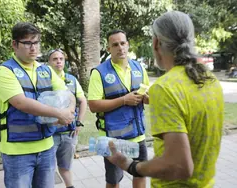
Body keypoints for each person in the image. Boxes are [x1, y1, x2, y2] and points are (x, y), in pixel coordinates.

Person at [107, 11, 224, 188]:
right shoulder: (210, 80)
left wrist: (132, 166)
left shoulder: (165, 87)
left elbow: (179, 166)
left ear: (156, 43)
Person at [0, 22, 76, 188]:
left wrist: (69, 111)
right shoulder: (4, 71)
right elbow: (21, 103)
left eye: (36, 42)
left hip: (47, 147)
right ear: (14, 44)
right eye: (27, 43)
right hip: (18, 151)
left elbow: (67, 94)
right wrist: (59, 114)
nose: (33, 47)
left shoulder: (46, 70)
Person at [88, 29, 150, 188]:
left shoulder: (139, 68)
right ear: (109, 49)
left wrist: (147, 98)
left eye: (123, 43)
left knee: (140, 174)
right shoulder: (99, 72)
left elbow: (148, 96)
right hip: (112, 139)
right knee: (114, 181)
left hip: (137, 136)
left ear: (128, 45)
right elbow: (93, 105)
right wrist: (123, 100)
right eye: (115, 44)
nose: (120, 47)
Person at [48, 49, 87, 188]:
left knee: (66, 167)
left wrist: (79, 123)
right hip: (49, 134)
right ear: (49, 62)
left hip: (69, 133)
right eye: (55, 59)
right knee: (47, 170)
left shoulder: (72, 80)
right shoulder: (43, 80)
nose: (58, 61)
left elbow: (82, 101)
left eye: (61, 59)